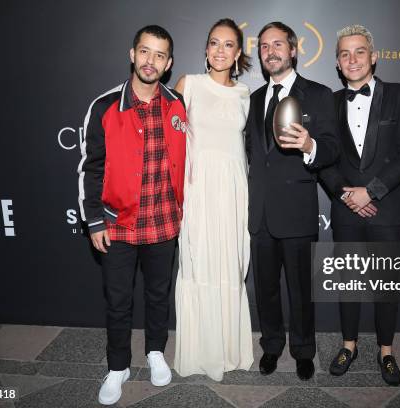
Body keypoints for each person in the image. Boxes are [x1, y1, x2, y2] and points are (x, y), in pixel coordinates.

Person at [77, 25, 187, 405]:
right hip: (118, 224)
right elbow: (90, 169)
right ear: (132, 54)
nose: (150, 61)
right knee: (118, 300)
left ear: (168, 63)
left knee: (159, 295)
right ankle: (118, 367)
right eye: (145, 52)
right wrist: (93, 220)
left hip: (163, 222)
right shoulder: (105, 106)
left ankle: (155, 351)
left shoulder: (177, 105)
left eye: (159, 55)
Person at [319, 24, 400, 386]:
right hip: (346, 209)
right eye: (345, 53)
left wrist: (370, 192)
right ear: (337, 62)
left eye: (360, 51)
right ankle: (349, 345)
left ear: (373, 57)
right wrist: (348, 195)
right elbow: (324, 160)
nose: (353, 59)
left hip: (389, 207)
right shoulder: (328, 103)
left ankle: (386, 351)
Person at [246, 21, 339, 381]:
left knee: (301, 290)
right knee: (266, 289)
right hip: (261, 215)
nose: (271, 51)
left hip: (297, 213)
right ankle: (271, 345)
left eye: (278, 45)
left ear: (294, 49)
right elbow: (251, 153)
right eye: (265, 46)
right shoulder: (253, 100)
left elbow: (332, 148)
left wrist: (310, 146)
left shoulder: (318, 94)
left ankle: (303, 350)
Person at [173, 18, 254, 381]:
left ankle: (228, 349)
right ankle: (200, 353)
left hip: (234, 192)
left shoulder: (245, 94)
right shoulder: (187, 85)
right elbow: (171, 143)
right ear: (206, 49)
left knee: (230, 266)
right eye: (214, 43)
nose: (220, 51)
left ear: (238, 53)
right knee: (199, 263)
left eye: (228, 45)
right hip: (198, 189)